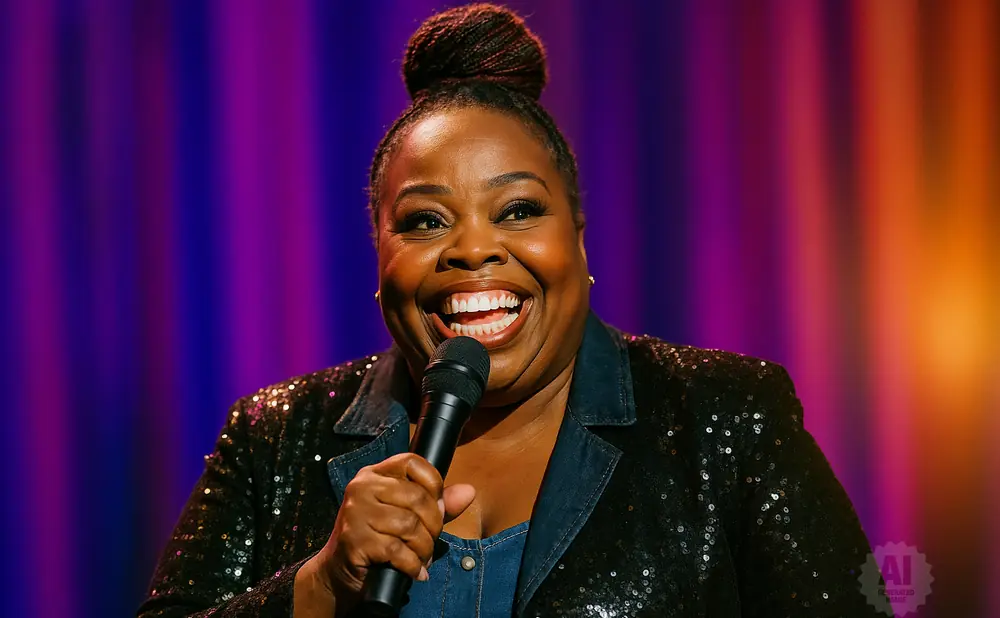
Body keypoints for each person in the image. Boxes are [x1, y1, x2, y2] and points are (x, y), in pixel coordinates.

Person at [137, 4, 886, 617]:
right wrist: (320, 586)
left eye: (518, 209)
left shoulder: (722, 418)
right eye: (426, 221)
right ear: (378, 254)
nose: (472, 249)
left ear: (578, 239)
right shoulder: (277, 439)